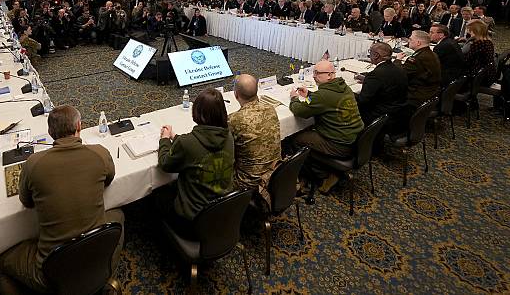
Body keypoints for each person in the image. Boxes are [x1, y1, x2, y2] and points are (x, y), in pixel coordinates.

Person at [0, 105, 124, 293]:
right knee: (118, 215)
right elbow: (109, 178)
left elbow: (27, 201)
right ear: (79, 126)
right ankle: (104, 271)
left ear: (49, 132)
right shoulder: (100, 153)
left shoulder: (33, 163)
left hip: (50, 270)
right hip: (92, 255)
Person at [155, 88, 234, 235]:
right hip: (223, 211)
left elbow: (165, 163)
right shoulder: (229, 136)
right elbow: (195, 145)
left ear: (197, 113)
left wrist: (165, 140)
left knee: (158, 195)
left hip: (193, 221)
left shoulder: (187, 143)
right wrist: (176, 136)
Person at [287, 60, 363, 191]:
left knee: (294, 139)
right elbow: (324, 102)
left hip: (339, 144)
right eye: (313, 72)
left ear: (329, 75)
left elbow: (300, 111)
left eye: (317, 73)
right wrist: (309, 95)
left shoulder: (323, 95)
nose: (313, 76)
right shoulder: (343, 86)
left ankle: (320, 175)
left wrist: (294, 98)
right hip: (353, 139)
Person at [227, 74, 281, 207]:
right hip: (275, 174)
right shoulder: (270, 109)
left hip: (248, 182)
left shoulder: (234, 119)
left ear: (235, 94)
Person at [354, 42, 407, 126]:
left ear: (376, 55)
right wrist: (368, 81)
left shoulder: (375, 75)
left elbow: (362, 101)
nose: (369, 55)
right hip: (399, 113)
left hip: (381, 117)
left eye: (370, 52)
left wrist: (349, 93)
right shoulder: (399, 67)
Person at [396, 31, 441, 109]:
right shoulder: (432, 54)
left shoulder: (416, 59)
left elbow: (399, 75)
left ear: (418, 43)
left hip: (416, 96)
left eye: (410, 39)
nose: (408, 41)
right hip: (430, 93)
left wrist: (397, 61)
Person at [464, 20, 496, 84]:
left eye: (469, 30)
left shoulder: (477, 43)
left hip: (478, 76)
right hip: (487, 74)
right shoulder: (488, 41)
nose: (468, 32)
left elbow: (467, 61)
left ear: (475, 30)